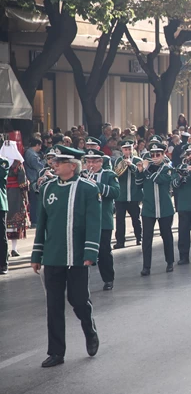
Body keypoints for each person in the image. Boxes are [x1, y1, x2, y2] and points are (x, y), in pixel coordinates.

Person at [30, 145, 101, 368]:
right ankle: (56, 352)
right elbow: (42, 223)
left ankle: (89, 331)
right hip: (53, 256)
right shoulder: (48, 188)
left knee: (78, 301)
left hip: (78, 257)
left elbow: (93, 223)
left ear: (72, 166)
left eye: (59, 162)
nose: (54, 165)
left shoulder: (88, 189)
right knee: (54, 305)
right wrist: (36, 253)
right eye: (54, 161)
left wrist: (90, 252)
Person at [82, 148, 120, 290]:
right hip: (86, 220)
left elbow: (116, 192)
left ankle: (108, 279)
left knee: (104, 251)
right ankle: (82, 281)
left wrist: (96, 185)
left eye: (94, 162)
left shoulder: (109, 175)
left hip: (103, 220)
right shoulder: (81, 175)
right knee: (84, 251)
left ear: (101, 162)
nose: (91, 165)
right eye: (88, 162)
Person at [136, 142, 175, 275]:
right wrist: (140, 171)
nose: (154, 157)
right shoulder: (147, 168)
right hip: (148, 208)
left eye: (157, 154)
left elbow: (159, 179)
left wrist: (147, 170)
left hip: (165, 208)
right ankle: (146, 266)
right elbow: (138, 183)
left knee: (166, 236)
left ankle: (170, 262)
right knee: (146, 238)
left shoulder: (167, 168)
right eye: (152, 154)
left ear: (163, 155)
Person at [0, 141, 28, 258]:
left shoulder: (1, 162)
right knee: (15, 223)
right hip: (16, 194)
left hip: (3, 193)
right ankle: (14, 248)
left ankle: (4, 251)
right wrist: (25, 196)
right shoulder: (17, 164)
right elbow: (22, 182)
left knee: (3, 224)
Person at [114, 141, 143, 249]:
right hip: (121, 196)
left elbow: (140, 174)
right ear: (122, 150)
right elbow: (116, 174)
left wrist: (131, 165)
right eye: (125, 149)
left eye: (129, 149)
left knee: (136, 219)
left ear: (133, 149)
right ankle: (120, 241)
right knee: (120, 220)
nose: (127, 151)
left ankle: (139, 238)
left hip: (134, 195)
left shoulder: (138, 160)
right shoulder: (118, 160)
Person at [24, 138, 43, 228]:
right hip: (33, 180)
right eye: (40, 146)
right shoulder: (31, 155)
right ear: (37, 145)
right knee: (34, 202)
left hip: (32, 179)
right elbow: (39, 166)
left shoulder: (30, 153)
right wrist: (46, 161)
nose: (40, 148)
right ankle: (34, 221)